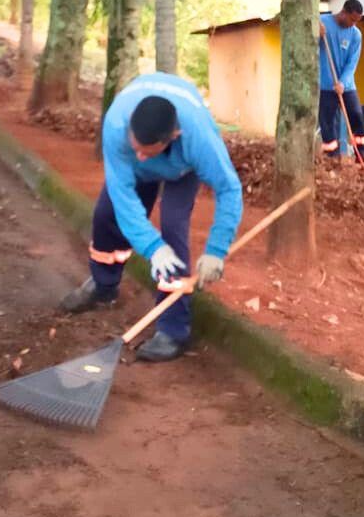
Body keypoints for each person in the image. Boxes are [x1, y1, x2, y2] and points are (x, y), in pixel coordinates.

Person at [59, 73, 243, 362]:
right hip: (136, 169)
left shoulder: (198, 137)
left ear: (173, 137)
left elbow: (228, 188)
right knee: (106, 213)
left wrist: (216, 251)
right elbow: (123, 199)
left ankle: (173, 330)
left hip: (182, 170)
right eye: (136, 149)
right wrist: (153, 248)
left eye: (147, 152)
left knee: (173, 226)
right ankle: (104, 285)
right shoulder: (117, 123)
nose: (141, 157)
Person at [318, 0, 364, 162]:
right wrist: (315, 33)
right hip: (326, 84)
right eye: (352, 19)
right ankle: (332, 155)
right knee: (327, 121)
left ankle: (362, 152)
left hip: (346, 85)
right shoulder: (322, 23)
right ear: (343, 12)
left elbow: (352, 63)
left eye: (356, 21)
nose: (353, 24)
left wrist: (342, 82)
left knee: (356, 114)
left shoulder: (356, 35)